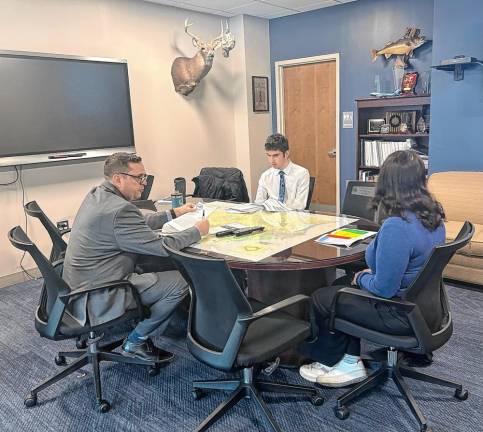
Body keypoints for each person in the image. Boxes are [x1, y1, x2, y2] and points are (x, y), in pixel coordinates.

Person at [299, 150, 446, 387]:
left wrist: (361, 279)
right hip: (425, 308)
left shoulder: (397, 226)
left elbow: (384, 289)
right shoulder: (434, 216)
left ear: (388, 183)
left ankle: (343, 364)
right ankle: (348, 356)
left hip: (397, 312)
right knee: (340, 285)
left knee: (322, 297)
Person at [63, 152, 209, 363]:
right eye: (139, 178)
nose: (144, 184)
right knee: (181, 281)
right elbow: (161, 247)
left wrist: (174, 213)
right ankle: (136, 341)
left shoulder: (99, 195)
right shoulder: (119, 210)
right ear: (118, 179)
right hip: (99, 294)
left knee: (152, 267)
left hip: (77, 288)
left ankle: (145, 325)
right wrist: (197, 231)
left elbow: (135, 225)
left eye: (145, 177)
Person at [255, 133, 310, 210]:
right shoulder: (265, 175)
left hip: (292, 218)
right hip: (271, 218)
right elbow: (259, 203)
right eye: (268, 155)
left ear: (286, 154)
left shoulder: (302, 173)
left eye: (276, 155)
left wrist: (278, 209)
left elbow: (299, 206)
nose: (271, 160)